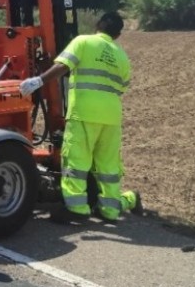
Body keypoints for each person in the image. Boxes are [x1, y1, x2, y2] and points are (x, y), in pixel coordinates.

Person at [19, 11, 142, 223]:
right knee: (108, 167)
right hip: (111, 118)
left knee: (76, 162)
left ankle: (77, 209)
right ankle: (113, 209)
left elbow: (63, 66)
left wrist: (38, 80)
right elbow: (119, 88)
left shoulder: (83, 41)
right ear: (118, 35)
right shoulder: (122, 56)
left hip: (84, 114)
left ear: (99, 23)